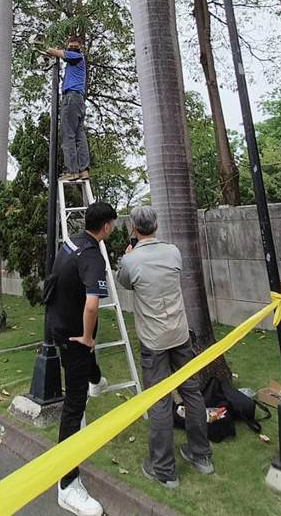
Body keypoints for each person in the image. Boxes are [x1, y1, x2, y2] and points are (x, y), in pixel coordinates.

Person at [117, 205, 214, 489]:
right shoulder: (173, 252)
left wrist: (127, 257)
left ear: (133, 228)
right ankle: (201, 456)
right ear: (156, 225)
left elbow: (126, 283)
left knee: (159, 400)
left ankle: (164, 469)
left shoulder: (131, 262)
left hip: (153, 340)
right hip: (180, 334)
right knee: (191, 392)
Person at [46, 200, 117, 516]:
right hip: (74, 338)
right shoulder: (92, 256)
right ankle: (67, 484)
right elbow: (92, 305)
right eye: (112, 224)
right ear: (105, 227)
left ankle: (96, 380)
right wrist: (87, 337)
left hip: (57, 324)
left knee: (89, 364)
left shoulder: (72, 240)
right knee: (74, 408)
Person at [44, 36, 89, 180]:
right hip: (79, 100)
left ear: (77, 47)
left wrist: (50, 49)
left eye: (73, 46)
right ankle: (84, 170)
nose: (72, 48)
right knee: (79, 136)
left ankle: (72, 171)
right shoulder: (76, 60)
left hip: (71, 98)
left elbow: (55, 52)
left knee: (68, 134)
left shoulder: (76, 56)